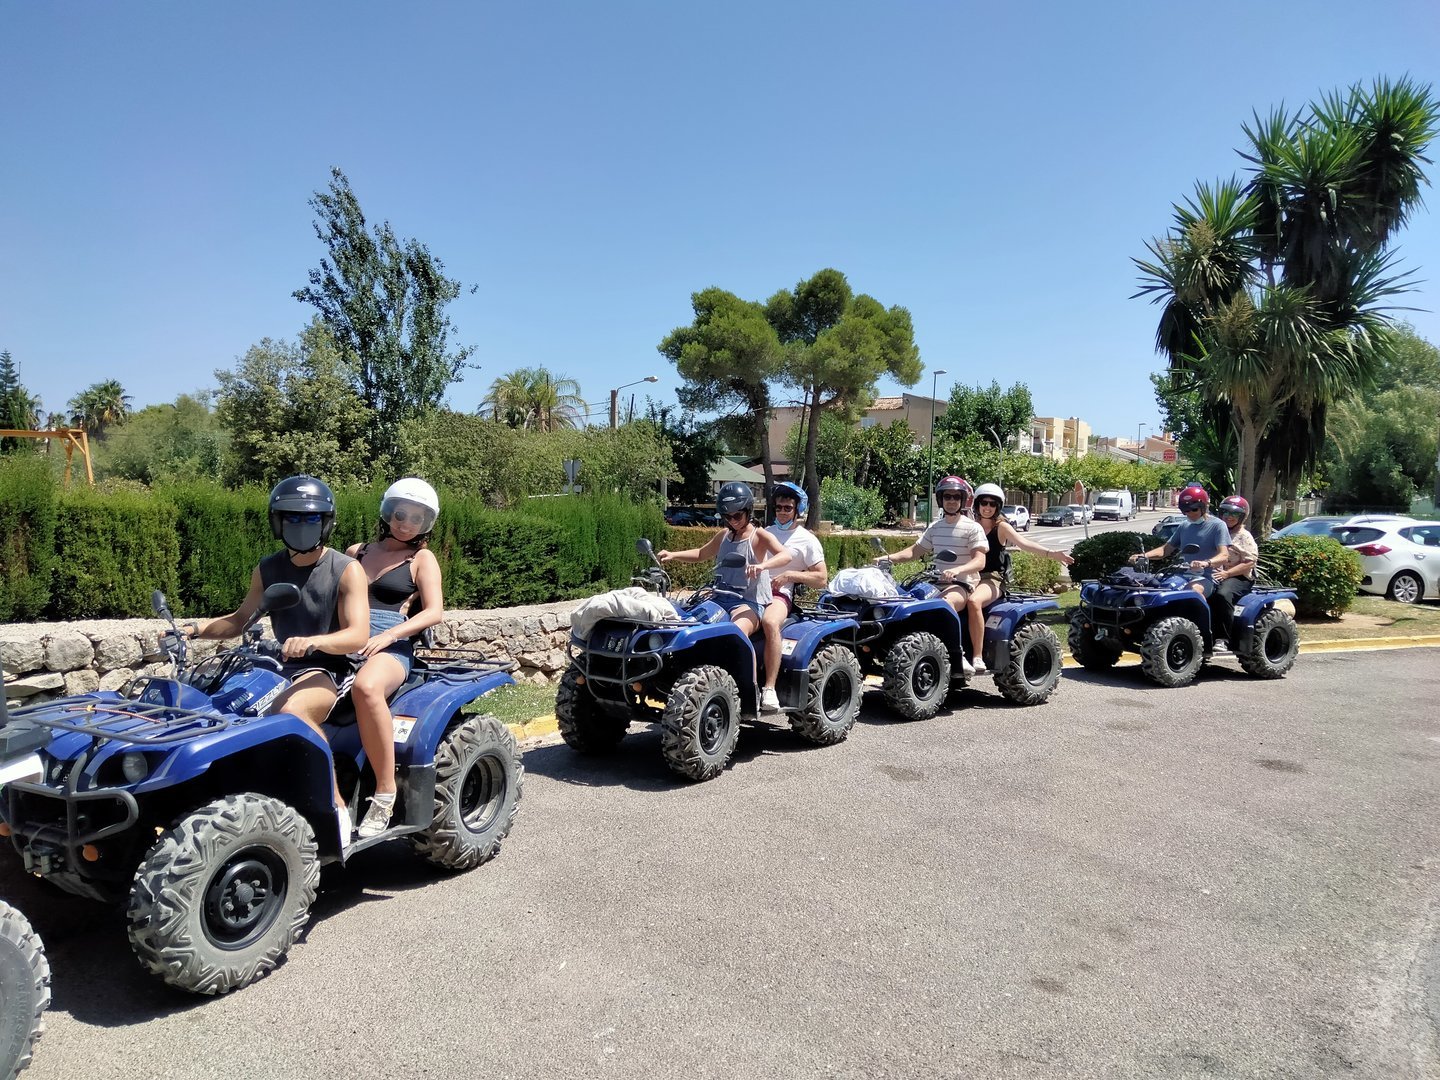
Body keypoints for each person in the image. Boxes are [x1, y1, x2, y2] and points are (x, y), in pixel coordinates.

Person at [190, 475, 369, 817]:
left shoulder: (346, 570)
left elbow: (358, 634)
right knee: (212, 707)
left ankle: (335, 807)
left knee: (293, 712)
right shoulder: (268, 568)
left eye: (311, 518)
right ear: (278, 521)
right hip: (278, 666)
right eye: (293, 518)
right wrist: (194, 630)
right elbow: (241, 619)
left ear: (326, 523)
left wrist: (314, 641)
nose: (302, 525)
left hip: (329, 668)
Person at [344, 478, 446, 838]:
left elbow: (433, 612)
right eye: (400, 514)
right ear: (388, 512)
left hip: (391, 645)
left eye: (416, 518)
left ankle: (385, 793)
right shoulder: (357, 551)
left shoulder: (421, 559)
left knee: (367, 687)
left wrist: (388, 635)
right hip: (346, 637)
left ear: (426, 523)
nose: (406, 523)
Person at [657, 482, 788, 702]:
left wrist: (763, 566)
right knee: (691, 621)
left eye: (736, 516)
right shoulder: (724, 536)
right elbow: (700, 553)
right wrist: (673, 554)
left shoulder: (759, 536)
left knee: (735, 631)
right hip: (721, 598)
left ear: (748, 511)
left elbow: (785, 555)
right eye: (726, 517)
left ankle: (759, 689)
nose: (732, 521)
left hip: (749, 602)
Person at [880, 476, 987, 675]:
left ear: (963, 500)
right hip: (935, 582)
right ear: (941, 499)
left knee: (945, 604)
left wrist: (957, 570)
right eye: (947, 496)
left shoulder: (973, 527)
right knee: (905, 599)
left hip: (962, 584)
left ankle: (959, 654)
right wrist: (887, 558)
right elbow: (915, 551)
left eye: (956, 496)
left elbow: (980, 561)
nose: (952, 500)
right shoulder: (935, 527)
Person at [968, 483, 1074, 671]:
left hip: (991, 579)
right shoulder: (971, 526)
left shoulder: (1001, 527)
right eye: (984, 502)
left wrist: (1052, 554)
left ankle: (977, 656)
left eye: (992, 504)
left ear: (998, 506)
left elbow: (1024, 544)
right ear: (977, 504)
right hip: (969, 576)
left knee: (974, 601)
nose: (987, 507)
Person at [753, 481, 828, 712]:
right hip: (753, 591)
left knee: (769, 622)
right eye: (779, 508)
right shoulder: (765, 533)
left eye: (787, 508)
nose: (783, 512)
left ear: (797, 510)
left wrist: (790, 575)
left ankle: (769, 689)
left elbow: (822, 578)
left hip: (779, 594)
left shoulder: (807, 539)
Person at [1130, 482, 1230, 600]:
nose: (1189, 513)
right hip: (1180, 575)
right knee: (1157, 588)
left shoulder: (1218, 525)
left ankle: (1198, 618)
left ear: (1203, 507)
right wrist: (1143, 556)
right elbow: (1165, 550)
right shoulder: (1184, 526)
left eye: (1194, 509)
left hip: (1206, 577)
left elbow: (1224, 555)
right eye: (1185, 510)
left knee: (1192, 592)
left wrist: (1206, 563)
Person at [1208, 495, 1257, 645]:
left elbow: (1250, 563)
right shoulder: (1217, 531)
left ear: (1242, 516)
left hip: (1238, 577)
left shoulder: (1244, 537)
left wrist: (1227, 573)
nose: (1229, 517)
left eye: (1234, 514)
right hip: (1215, 574)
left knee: (1222, 595)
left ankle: (1222, 639)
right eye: (1226, 513)